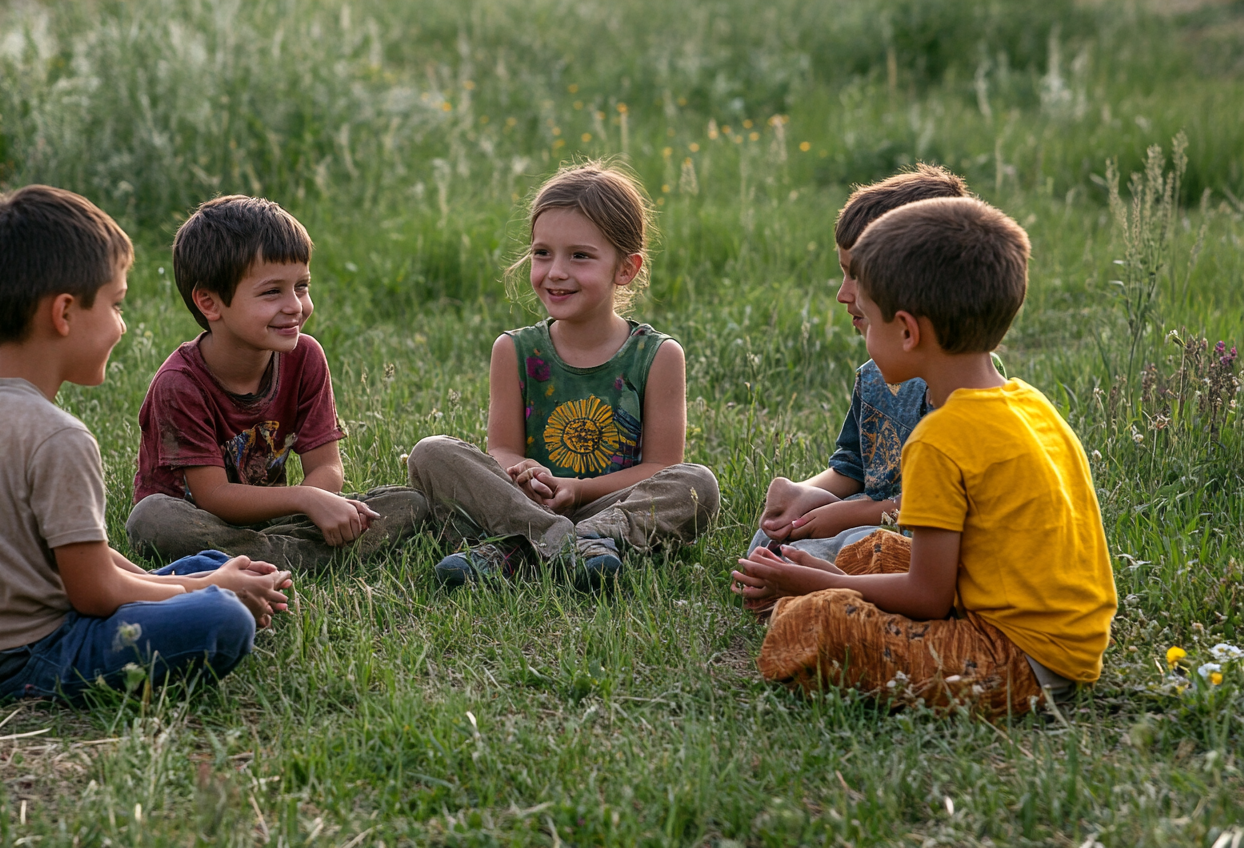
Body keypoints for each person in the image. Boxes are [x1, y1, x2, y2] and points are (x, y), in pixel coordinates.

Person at [0, 185, 291, 701]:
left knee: (206, 566)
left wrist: (206, 580)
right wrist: (211, 592)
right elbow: (95, 593)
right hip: (14, 657)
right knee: (220, 615)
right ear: (63, 314)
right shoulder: (58, 437)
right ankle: (216, 595)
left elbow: (85, 555)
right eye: (115, 304)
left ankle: (213, 584)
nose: (121, 325)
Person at [732, 197, 1116, 717]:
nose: (862, 331)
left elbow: (930, 597)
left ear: (908, 331)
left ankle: (799, 597)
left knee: (813, 620)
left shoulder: (939, 438)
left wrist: (815, 584)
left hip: (1015, 664)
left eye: (866, 320)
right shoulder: (1028, 403)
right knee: (868, 551)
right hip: (1059, 642)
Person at [407, 161, 719, 590]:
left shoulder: (658, 355)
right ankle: (568, 546)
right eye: (542, 253)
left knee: (696, 484)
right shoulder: (514, 350)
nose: (555, 271)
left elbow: (660, 467)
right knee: (431, 452)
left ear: (625, 268)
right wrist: (526, 471)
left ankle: (516, 551)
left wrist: (577, 488)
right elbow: (501, 450)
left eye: (580, 256)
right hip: (522, 502)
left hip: (606, 508)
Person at [125, 195, 428, 570]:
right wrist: (306, 500)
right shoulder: (180, 384)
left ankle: (266, 554)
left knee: (409, 503)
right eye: (272, 292)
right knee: (152, 519)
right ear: (209, 302)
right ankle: (304, 555)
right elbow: (214, 496)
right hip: (201, 520)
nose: (295, 306)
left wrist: (317, 501)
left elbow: (328, 468)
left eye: (301, 286)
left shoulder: (305, 357)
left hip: (277, 516)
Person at [749, 165, 971, 584]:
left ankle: (814, 586)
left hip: (927, 539)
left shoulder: (961, 384)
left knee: (863, 544)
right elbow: (851, 469)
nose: (843, 294)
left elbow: (937, 509)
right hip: (870, 521)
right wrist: (806, 497)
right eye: (843, 272)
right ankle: (804, 580)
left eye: (857, 275)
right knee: (773, 539)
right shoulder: (875, 376)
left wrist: (847, 514)